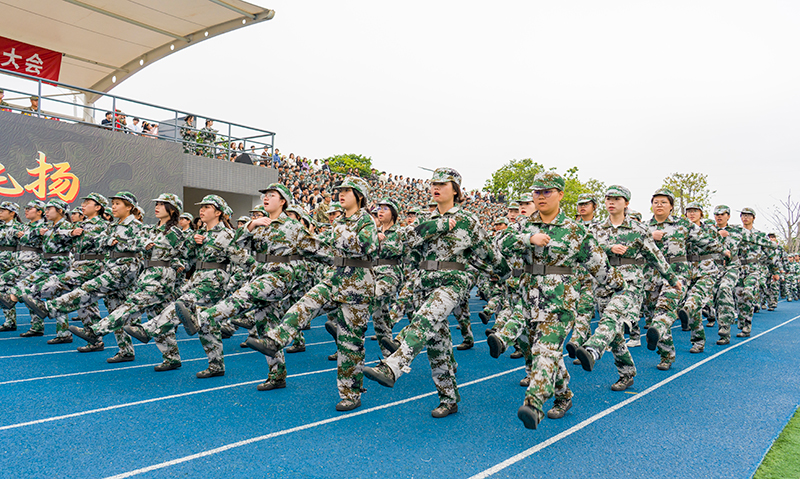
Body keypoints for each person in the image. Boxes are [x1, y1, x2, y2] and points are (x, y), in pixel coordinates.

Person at [364, 168, 509, 418]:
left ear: (456, 189)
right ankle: (448, 399)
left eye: (443, 184)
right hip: (425, 284)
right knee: (437, 346)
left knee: (425, 319)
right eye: (433, 183)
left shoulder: (467, 221)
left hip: (453, 281)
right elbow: (398, 243)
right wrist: (432, 227)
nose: (436, 187)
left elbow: (489, 254)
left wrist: (507, 275)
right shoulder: (424, 221)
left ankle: (393, 366)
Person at [484, 172, 624, 429]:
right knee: (550, 354)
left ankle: (534, 404)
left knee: (545, 351)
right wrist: (528, 239)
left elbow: (598, 264)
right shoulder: (523, 225)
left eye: (547, 191)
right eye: (537, 192)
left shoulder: (574, 230)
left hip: (560, 304)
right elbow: (498, 242)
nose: (541, 196)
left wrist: (621, 286)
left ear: (560, 194)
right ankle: (564, 396)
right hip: (528, 302)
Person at [247, 177, 378, 412]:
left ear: (359, 195)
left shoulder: (366, 220)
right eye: (339, 190)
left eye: (347, 191)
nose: (340, 194)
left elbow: (365, 246)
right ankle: (274, 340)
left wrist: (335, 238)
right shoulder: (340, 221)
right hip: (335, 277)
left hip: (358, 284)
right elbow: (323, 247)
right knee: (303, 305)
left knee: (350, 342)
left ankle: (351, 394)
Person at [568, 185, 678, 391]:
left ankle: (592, 349)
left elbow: (655, 256)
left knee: (612, 317)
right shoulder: (596, 230)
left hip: (630, 283)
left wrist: (672, 279)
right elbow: (584, 253)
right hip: (604, 285)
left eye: (617, 199)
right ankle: (627, 374)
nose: (611, 202)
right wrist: (608, 248)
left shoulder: (638, 229)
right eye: (608, 198)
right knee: (615, 333)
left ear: (626, 203)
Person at [126, 195, 247, 377]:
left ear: (218, 212)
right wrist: (192, 245)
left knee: (182, 304)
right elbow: (185, 258)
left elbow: (243, 261)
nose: (202, 210)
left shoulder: (227, 235)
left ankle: (148, 330)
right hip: (197, 279)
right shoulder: (199, 234)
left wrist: (239, 284)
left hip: (213, 281)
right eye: (201, 206)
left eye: (207, 207)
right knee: (206, 324)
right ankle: (216, 365)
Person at [33, 192, 145, 362]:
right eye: (113, 203)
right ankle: (126, 351)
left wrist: (117, 244)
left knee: (90, 288)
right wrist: (108, 242)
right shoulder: (113, 226)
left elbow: (143, 245)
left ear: (129, 207)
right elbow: (99, 242)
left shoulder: (136, 225)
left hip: (125, 268)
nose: (113, 207)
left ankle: (50, 307)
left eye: (118, 204)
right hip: (112, 265)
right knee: (115, 310)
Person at [0, 202, 22, 332]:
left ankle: (37, 324)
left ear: (12, 213)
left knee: (21, 291)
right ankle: (10, 321)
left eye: (3, 210)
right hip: (1, 260)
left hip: (13, 262)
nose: (0, 213)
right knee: (3, 292)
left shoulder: (20, 227)